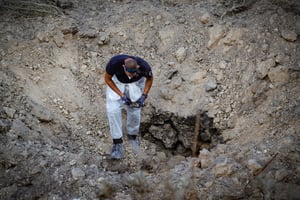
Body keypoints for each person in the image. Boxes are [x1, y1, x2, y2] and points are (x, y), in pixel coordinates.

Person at [104, 54, 153, 159]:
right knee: (113, 110)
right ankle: (117, 143)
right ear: (123, 67)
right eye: (129, 73)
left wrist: (144, 95)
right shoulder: (114, 63)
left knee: (135, 109)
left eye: (133, 73)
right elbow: (107, 79)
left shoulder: (144, 66)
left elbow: (150, 79)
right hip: (117, 82)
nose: (130, 75)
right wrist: (121, 95)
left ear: (138, 68)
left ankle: (132, 136)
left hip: (136, 83)